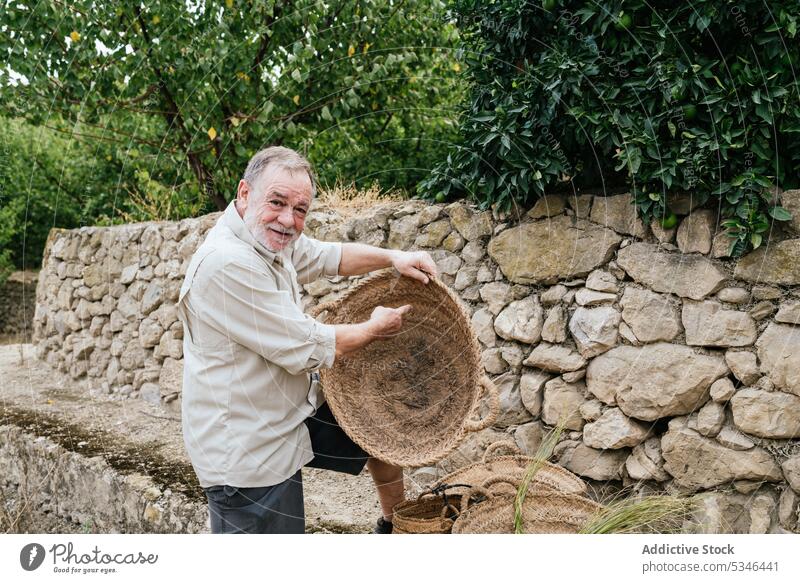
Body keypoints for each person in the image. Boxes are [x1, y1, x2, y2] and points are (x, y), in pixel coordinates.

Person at [176, 146, 438, 534]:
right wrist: (374, 328)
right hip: (248, 450)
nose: (288, 219)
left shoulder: (265, 237)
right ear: (244, 194)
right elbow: (309, 345)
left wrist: (393, 256)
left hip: (287, 411)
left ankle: (395, 524)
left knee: (375, 423)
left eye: (300, 210)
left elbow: (329, 256)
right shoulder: (229, 263)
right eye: (277, 202)